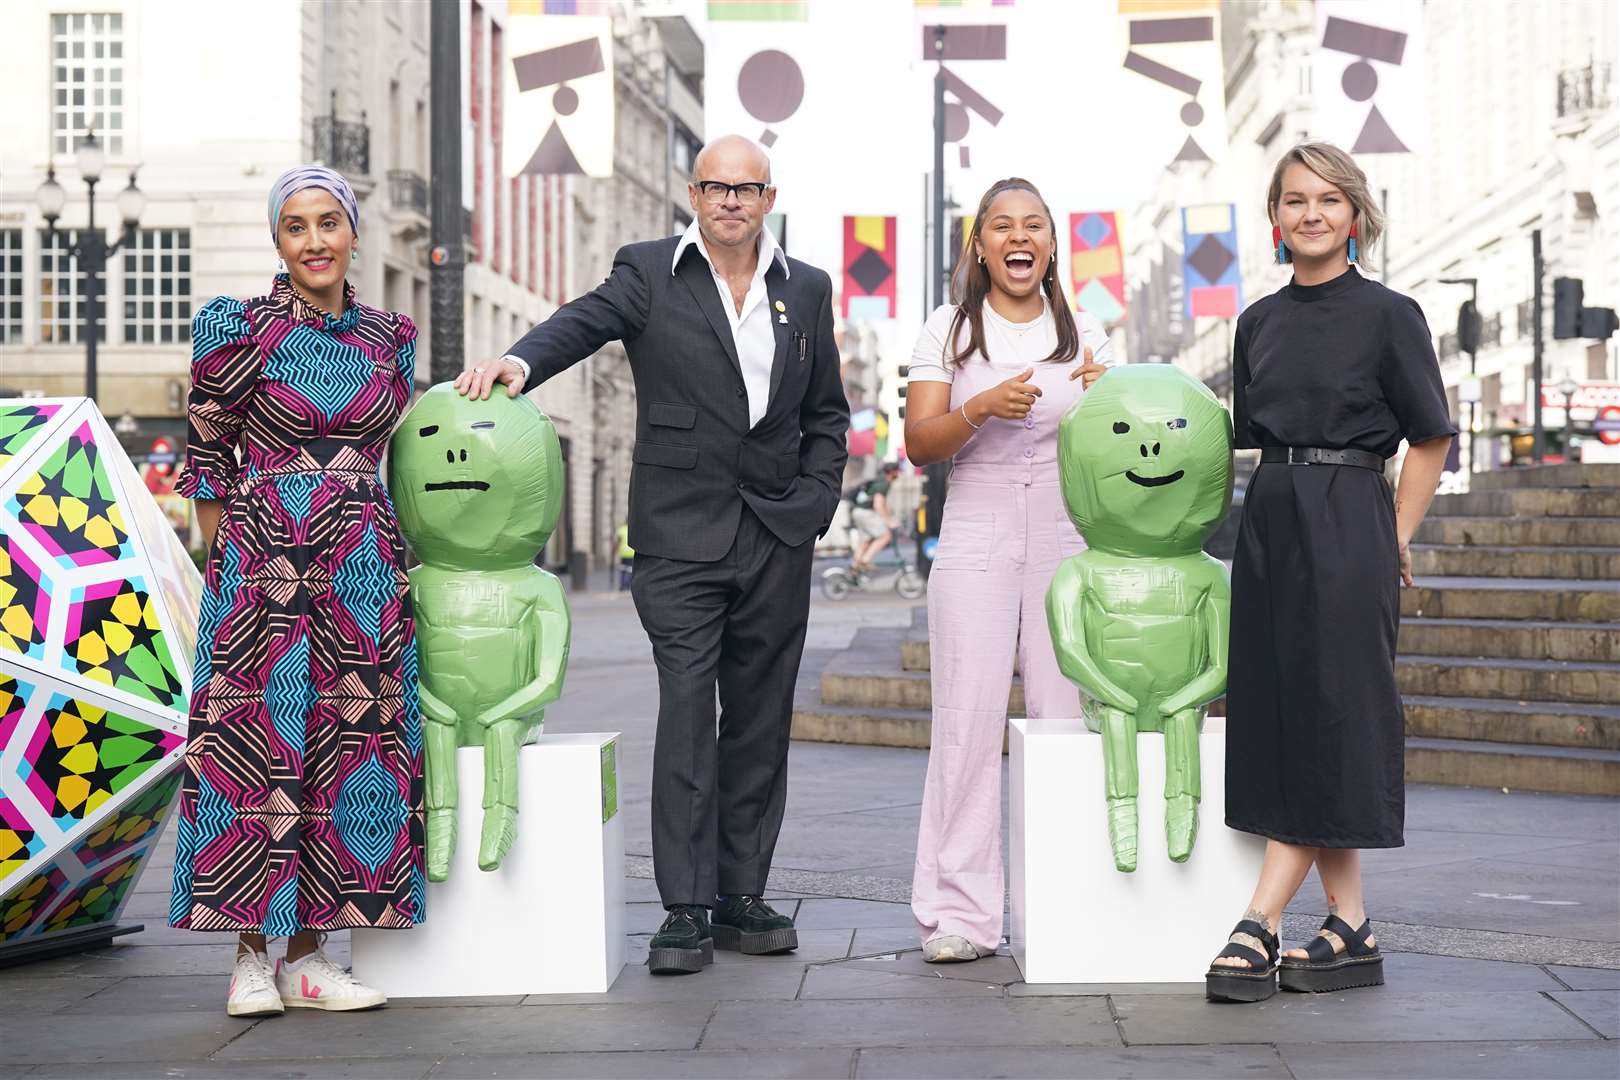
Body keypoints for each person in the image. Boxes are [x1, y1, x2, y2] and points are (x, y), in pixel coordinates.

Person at [453, 135, 849, 975]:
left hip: (777, 534)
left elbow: (828, 414)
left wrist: (816, 502)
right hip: (678, 535)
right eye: (715, 187)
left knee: (760, 717)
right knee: (685, 712)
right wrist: (521, 362)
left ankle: (744, 894)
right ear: (694, 194)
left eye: (747, 188)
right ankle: (684, 908)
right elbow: (582, 322)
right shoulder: (647, 270)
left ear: (768, 198)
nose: (731, 201)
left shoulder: (804, 289)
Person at [170, 165, 423, 1016]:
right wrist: (225, 565)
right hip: (261, 558)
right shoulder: (236, 329)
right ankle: (249, 957)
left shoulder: (393, 335)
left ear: (353, 233)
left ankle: (314, 957)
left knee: (352, 748)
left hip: (360, 559)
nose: (314, 241)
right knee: (257, 747)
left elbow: (403, 449)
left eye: (328, 223)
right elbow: (206, 456)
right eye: (295, 228)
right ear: (278, 241)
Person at [1206, 144, 1455, 1003]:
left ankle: (1262, 919)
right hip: (1270, 516)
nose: (1311, 213)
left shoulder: (1392, 314)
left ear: (1357, 215)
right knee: (1282, 709)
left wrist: (1396, 534)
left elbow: (1430, 436)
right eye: (1294, 200)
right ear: (1275, 219)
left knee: (1334, 707)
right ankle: (1350, 924)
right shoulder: (1258, 323)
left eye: (1329, 199)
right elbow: (1249, 432)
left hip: (1351, 514)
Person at [903, 177, 1110, 963]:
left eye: (1033, 226)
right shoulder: (948, 328)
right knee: (966, 721)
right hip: (977, 527)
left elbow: (1113, 441)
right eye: (1001, 226)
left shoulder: (1085, 330)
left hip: (1066, 531)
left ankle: (1061, 898)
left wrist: (1106, 397)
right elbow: (921, 442)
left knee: (1063, 718)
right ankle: (959, 913)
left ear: (1051, 246)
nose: (1018, 238)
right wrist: (979, 407)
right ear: (980, 246)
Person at [848, 461, 901, 577]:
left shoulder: (879, 481)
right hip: (865, 513)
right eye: (898, 471)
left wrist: (890, 517)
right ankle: (865, 560)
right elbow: (878, 505)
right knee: (885, 536)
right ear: (892, 472)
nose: (899, 474)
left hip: (858, 512)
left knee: (866, 540)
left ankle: (854, 568)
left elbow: (884, 505)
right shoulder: (884, 483)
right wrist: (889, 522)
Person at [615, 522, 634, 591]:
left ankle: (622, 585)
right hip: (631, 553)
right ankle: (628, 585)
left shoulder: (621, 530)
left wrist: (615, 551)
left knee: (622, 569)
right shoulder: (633, 529)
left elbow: (617, 542)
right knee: (630, 570)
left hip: (623, 553)